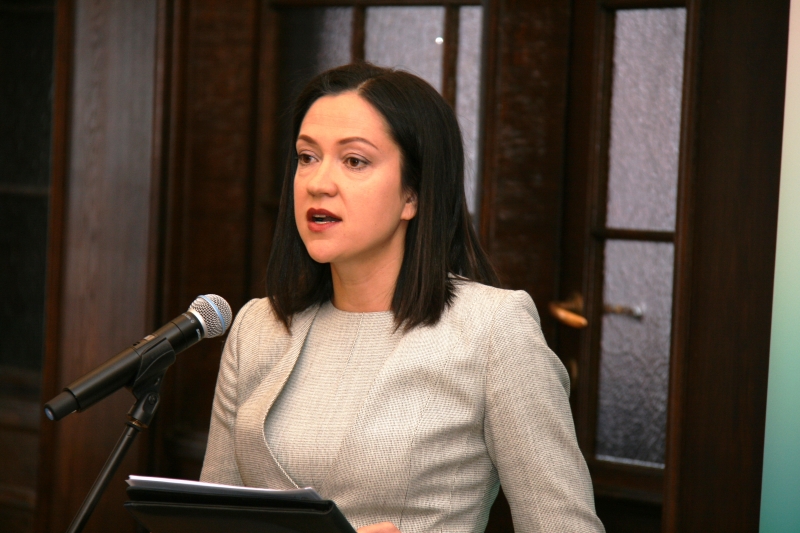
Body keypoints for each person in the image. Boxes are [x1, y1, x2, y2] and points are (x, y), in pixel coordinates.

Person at [200, 62, 604, 533]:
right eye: (307, 157)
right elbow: (209, 522)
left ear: (413, 194)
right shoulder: (257, 327)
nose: (318, 183)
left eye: (354, 161)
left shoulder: (492, 329)